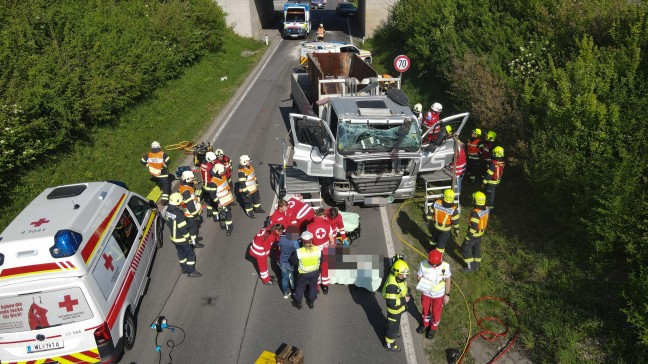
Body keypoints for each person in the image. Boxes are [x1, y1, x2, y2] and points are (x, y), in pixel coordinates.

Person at [415, 250, 451, 340]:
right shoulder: (423, 265)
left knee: (436, 313)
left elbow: (448, 280)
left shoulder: (446, 266)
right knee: (425, 310)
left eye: (436, 265)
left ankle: (433, 328)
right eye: (432, 265)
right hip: (426, 293)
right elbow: (418, 277)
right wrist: (423, 283)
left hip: (438, 295)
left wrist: (447, 294)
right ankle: (425, 324)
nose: (434, 267)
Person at [165, 193, 202, 277]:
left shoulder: (167, 210)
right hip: (181, 239)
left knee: (181, 253)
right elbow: (183, 230)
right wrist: (189, 238)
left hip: (174, 238)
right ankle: (191, 271)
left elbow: (168, 223)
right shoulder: (179, 214)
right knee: (190, 253)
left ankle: (184, 269)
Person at [382, 256, 410, 352]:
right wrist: (404, 300)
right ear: (397, 273)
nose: (405, 277)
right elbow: (391, 302)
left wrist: (399, 258)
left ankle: (394, 332)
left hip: (398, 310)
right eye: (403, 274)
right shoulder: (392, 286)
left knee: (395, 324)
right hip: (394, 310)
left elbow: (397, 264)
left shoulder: (395, 274)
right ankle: (389, 344)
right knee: (392, 326)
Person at [290, 231, 322, 309]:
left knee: (300, 287)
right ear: (311, 240)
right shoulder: (318, 249)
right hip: (315, 272)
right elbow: (321, 260)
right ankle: (311, 302)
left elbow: (292, 261)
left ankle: (298, 302)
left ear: (302, 241)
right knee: (313, 286)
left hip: (303, 273)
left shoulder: (299, 252)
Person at [307, 208, 335, 294]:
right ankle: (325, 287)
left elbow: (308, 241)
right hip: (325, 248)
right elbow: (331, 240)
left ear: (315, 215)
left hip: (315, 249)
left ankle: (316, 287)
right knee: (325, 268)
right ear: (323, 215)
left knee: (316, 268)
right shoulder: (327, 225)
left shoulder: (309, 226)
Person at [461, 191, 489, 272]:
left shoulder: (475, 213)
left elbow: (474, 228)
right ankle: (477, 265)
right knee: (476, 248)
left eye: (474, 199)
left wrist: (467, 237)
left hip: (474, 234)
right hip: (481, 233)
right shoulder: (486, 208)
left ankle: (470, 267)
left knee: (464, 249)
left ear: (476, 201)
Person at [426, 189, 460, 254]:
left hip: (436, 227)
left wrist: (427, 221)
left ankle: (430, 253)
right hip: (445, 230)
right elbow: (455, 222)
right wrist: (456, 230)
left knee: (433, 241)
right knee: (441, 245)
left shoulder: (437, 202)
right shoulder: (454, 209)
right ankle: (438, 257)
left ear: (444, 196)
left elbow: (430, 212)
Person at [207, 164, 235, 236]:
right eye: (222, 172)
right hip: (222, 201)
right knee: (227, 215)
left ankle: (223, 225)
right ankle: (229, 228)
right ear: (217, 172)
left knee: (223, 213)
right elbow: (212, 194)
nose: (223, 173)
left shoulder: (223, 176)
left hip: (227, 199)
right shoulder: (213, 182)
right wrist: (218, 202)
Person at [141, 141, 171, 206]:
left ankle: (160, 187)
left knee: (160, 183)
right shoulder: (162, 154)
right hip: (163, 174)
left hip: (154, 174)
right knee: (166, 186)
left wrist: (148, 165)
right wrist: (163, 167)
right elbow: (168, 160)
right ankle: (164, 201)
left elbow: (142, 160)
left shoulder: (149, 154)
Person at [178, 171, 203, 245]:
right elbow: (190, 204)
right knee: (193, 228)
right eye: (191, 179)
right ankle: (194, 242)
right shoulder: (186, 191)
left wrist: (196, 182)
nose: (193, 181)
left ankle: (194, 237)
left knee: (194, 227)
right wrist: (195, 214)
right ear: (187, 179)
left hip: (190, 211)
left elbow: (191, 184)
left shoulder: (185, 185)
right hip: (190, 213)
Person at [279, 227, 301, 298]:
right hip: (291, 262)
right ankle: (294, 291)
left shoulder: (282, 239)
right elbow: (298, 252)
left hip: (282, 261)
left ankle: (286, 293)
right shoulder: (294, 242)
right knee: (294, 276)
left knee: (284, 278)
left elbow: (280, 248)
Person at [200, 151, 217, 218]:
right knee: (214, 201)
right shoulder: (210, 168)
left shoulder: (203, 165)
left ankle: (209, 213)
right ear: (209, 160)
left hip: (204, 186)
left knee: (209, 201)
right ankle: (216, 216)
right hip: (210, 186)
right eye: (213, 160)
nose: (215, 161)